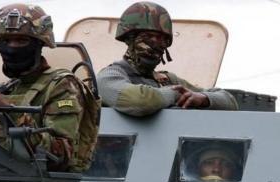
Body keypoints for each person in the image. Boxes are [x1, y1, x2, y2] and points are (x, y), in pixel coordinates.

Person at [0, 3, 95, 172]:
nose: (12, 48)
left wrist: (9, 112)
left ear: (39, 44)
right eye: (6, 41)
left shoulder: (61, 85)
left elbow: (61, 154)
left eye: (21, 40)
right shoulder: (8, 89)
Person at [97, 1, 238, 116]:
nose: (156, 44)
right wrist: (175, 95)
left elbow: (229, 101)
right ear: (130, 39)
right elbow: (140, 101)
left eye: (162, 39)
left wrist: (203, 99)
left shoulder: (167, 80)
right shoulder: (109, 77)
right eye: (148, 37)